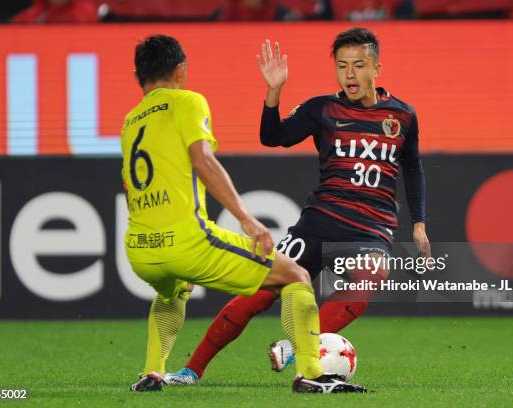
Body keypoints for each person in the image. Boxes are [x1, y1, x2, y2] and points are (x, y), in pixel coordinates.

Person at [164, 27, 430, 384]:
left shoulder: (403, 117)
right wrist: (273, 92)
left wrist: (419, 223)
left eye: (359, 65)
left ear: (376, 68)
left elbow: (412, 167)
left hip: (370, 227)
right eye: (342, 66)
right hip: (319, 222)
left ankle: (296, 347)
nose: (350, 74)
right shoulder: (322, 109)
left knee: (371, 275)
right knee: (256, 293)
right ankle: (190, 370)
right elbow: (273, 137)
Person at [122, 34, 366, 394]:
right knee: (295, 275)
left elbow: (129, 186)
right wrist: (247, 219)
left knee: (173, 292)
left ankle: (152, 372)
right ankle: (311, 373)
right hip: (186, 242)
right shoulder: (187, 101)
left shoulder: (131, 121)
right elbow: (203, 159)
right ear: (180, 70)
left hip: (140, 249)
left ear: (137, 75)